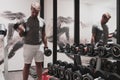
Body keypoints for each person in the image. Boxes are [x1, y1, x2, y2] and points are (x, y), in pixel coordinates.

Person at [14, 2, 47, 80]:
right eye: (33, 11)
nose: (35, 13)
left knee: (39, 65)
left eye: (36, 12)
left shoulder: (42, 21)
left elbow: (44, 34)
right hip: (28, 46)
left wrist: (46, 45)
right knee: (27, 65)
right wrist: (21, 30)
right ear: (31, 9)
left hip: (39, 46)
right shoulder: (25, 20)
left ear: (39, 10)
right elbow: (20, 33)